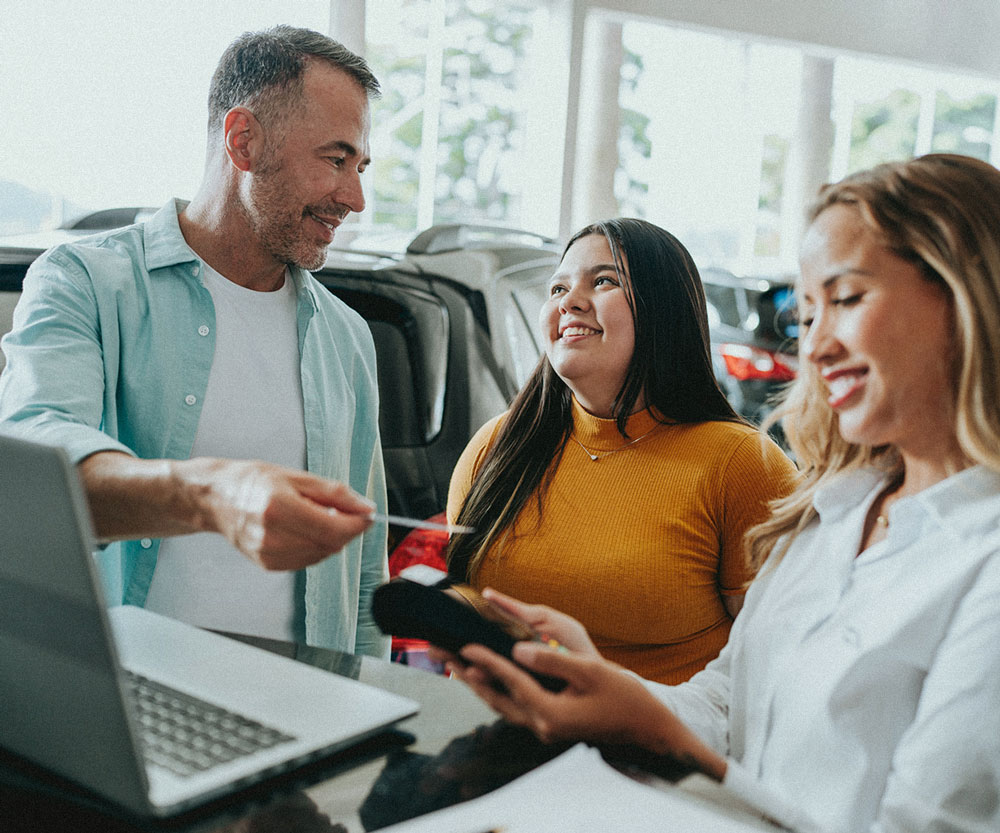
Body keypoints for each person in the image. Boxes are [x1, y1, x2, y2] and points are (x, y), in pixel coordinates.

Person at [437, 154, 1000, 832]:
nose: (815, 348)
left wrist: (659, 737)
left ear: (971, 298)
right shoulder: (829, 512)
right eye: (807, 314)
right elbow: (731, 701)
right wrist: (612, 691)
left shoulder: (982, 557)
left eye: (846, 299)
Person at [0, 26, 390, 657]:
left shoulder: (346, 337)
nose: (355, 198)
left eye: (361, 167)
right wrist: (212, 493)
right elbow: (34, 454)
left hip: (306, 713)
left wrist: (372, 714)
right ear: (243, 141)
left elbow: (366, 571)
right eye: (337, 159)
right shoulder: (86, 284)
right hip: (126, 706)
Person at [444, 218, 797, 684]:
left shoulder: (742, 463)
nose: (569, 302)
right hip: (486, 738)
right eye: (557, 289)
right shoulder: (497, 444)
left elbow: (776, 669)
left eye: (604, 280)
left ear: (663, 310)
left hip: (648, 750)